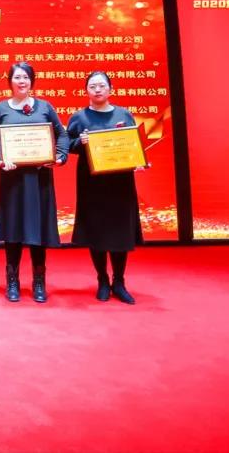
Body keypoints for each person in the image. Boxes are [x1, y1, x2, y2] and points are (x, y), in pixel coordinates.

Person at [0, 61, 68, 304]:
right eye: (17, 77)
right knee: (13, 228)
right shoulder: (0, 108)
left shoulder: (45, 107)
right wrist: (0, 155)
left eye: (26, 77)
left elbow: (62, 133)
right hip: (12, 179)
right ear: (9, 81)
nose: (21, 81)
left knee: (38, 229)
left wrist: (60, 156)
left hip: (39, 179)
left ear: (32, 81)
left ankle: (39, 281)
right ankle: (13, 281)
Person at [67, 70, 144, 304]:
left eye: (102, 85)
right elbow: (67, 144)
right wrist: (80, 141)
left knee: (120, 231)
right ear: (86, 91)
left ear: (110, 89)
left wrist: (139, 160)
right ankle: (102, 279)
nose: (97, 89)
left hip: (120, 182)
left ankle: (119, 281)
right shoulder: (79, 117)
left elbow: (134, 144)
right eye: (92, 86)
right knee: (97, 231)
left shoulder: (124, 114)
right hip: (92, 183)